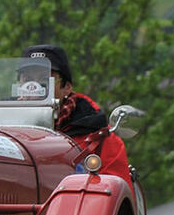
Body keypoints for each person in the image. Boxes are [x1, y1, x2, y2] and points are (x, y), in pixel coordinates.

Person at [20, 44, 131, 188]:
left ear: (66, 87)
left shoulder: (98, 136)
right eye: (27, 79)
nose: (35, 87)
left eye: (45, 79)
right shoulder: (1, 126)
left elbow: (113, 194)